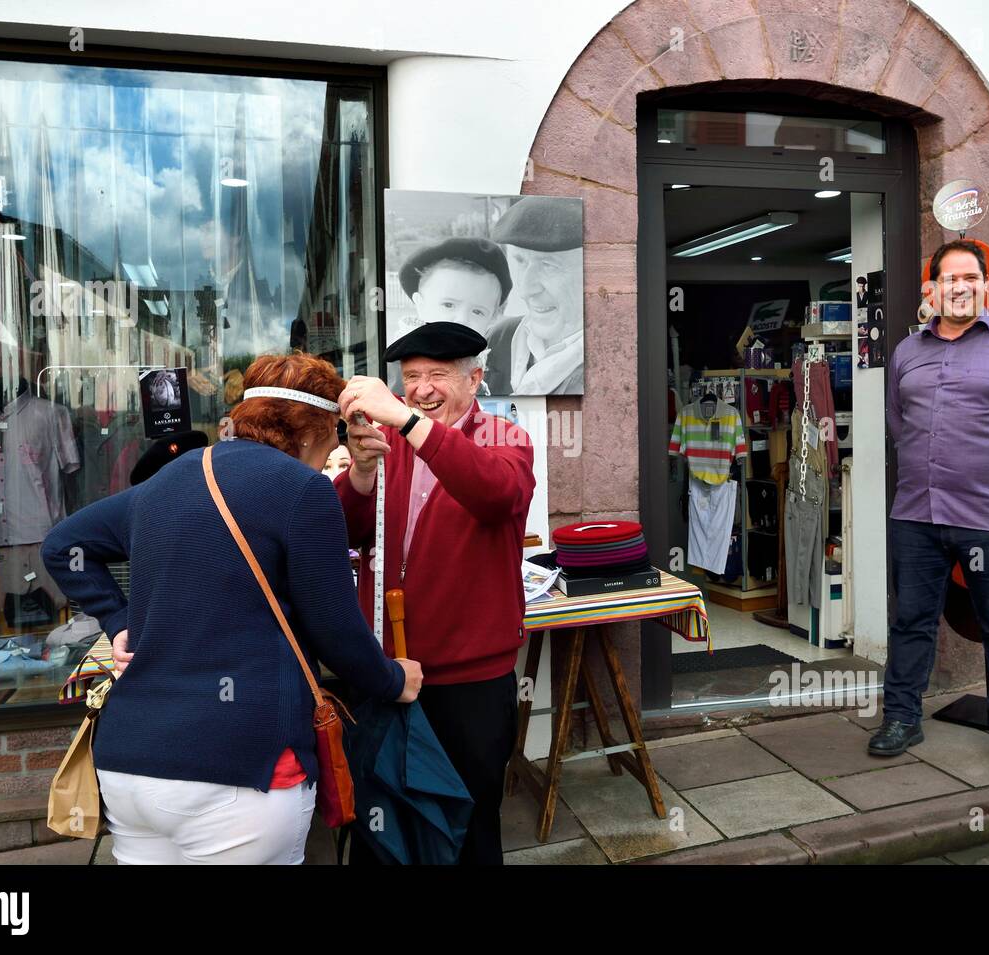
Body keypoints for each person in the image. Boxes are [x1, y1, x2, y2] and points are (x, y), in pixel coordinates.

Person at [41, 352, 423, 864]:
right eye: (333, 436)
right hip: (243, 770)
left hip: (131, 768)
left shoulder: (167, 480)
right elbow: (334, 627)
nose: (334, 447)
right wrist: (392, 680)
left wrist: (119, 624)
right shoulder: (305, 489)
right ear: (310, 433)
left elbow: (63, 545)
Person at [336, 320, 534, 864]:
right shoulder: (388, 445)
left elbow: (494, 493)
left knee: (467, 823)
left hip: (468, 679)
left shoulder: (506, 438)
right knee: (382, 821)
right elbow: (345, 533)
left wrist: (406, 419)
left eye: (438, 375)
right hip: (388, 671)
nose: (421, 388)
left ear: (475, 379)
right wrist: (360, 472)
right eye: (411, 376)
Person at [870, 240, 989, 781]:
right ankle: (902, 718)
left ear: (987, 286)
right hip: (915, 515)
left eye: (969, 278)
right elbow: (899, 424)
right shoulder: (907, 352)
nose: (959, 287)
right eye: (948, 279)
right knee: (911, 621)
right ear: (931, 289)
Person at [485, 196, 585, 395]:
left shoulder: (617, 357)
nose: (525, 289)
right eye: (520, 261)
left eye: (549, 265)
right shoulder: (500, 337)